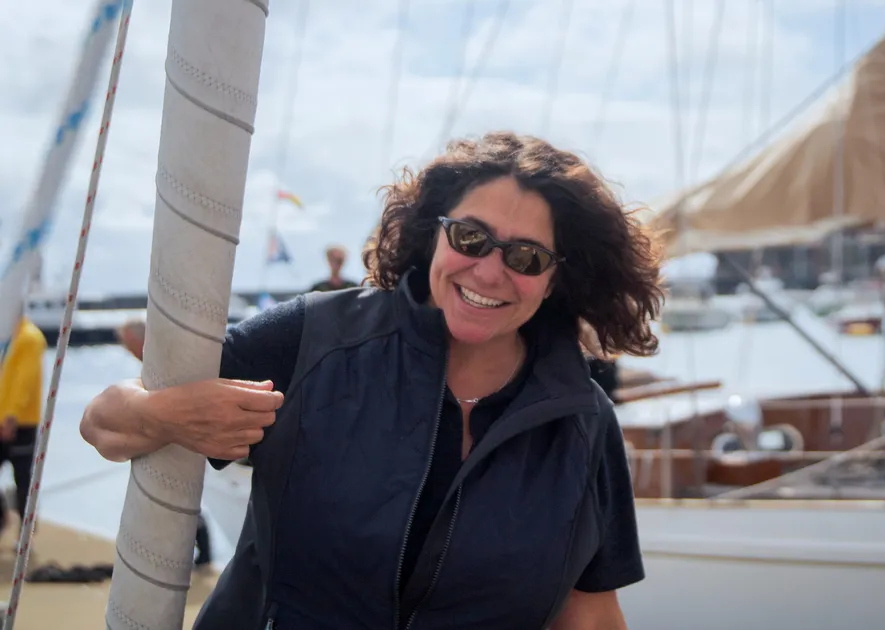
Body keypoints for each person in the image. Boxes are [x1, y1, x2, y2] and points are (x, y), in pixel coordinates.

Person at [80, 131, 664, 629]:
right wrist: (162, 415)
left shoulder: (582, 422)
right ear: (432, 232)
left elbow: (591, 616)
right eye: (469, 238)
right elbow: (105, 420)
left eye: (527, 258)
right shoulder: (315, 341)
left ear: (557, 279)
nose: (490, 270)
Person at [112, 318, 213, 570]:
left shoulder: (165, 364)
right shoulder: (153, 365)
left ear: (137, 341)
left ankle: (202, 554)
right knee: (171, 498)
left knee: (183, 497)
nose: (126, 350)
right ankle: (181, 553)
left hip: (179, 438)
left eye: (127, 344)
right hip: (165, 437)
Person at [0, 314, 46, 525]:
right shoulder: (7, 336)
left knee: (23, 479)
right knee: (22, 478)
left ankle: (25, 533)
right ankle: (4, 520)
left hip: (20, 422)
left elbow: (24, 381)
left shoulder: (29, 337)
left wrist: (12, 416)